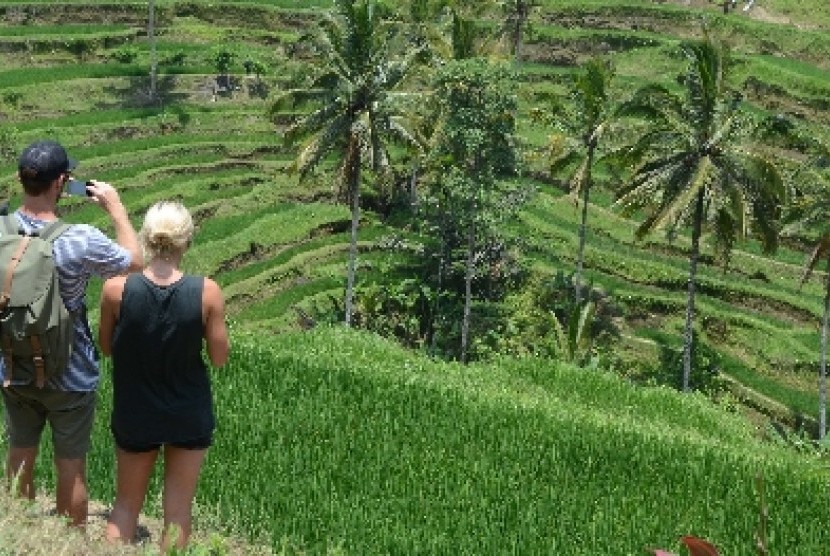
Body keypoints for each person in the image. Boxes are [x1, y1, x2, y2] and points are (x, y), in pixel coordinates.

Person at [1, 139, 143, 527]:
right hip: (70, 370)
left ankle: (18, 535)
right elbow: (134, 262)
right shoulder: (79, 237)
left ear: (21, 179)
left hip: (13, 365)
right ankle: (70, 543)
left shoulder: (0, 230)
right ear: (62, 181)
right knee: (70, 467)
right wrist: (116, 211)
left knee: (20, 454)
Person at [99, 200, 229, 549]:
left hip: (135, 410)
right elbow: (219, 358)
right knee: (177, 512)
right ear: (187, 241)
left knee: (125, 506)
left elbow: (107, 347)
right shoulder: (207, 292)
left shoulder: (116, 290)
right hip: (188, 412)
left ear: (146, 237)